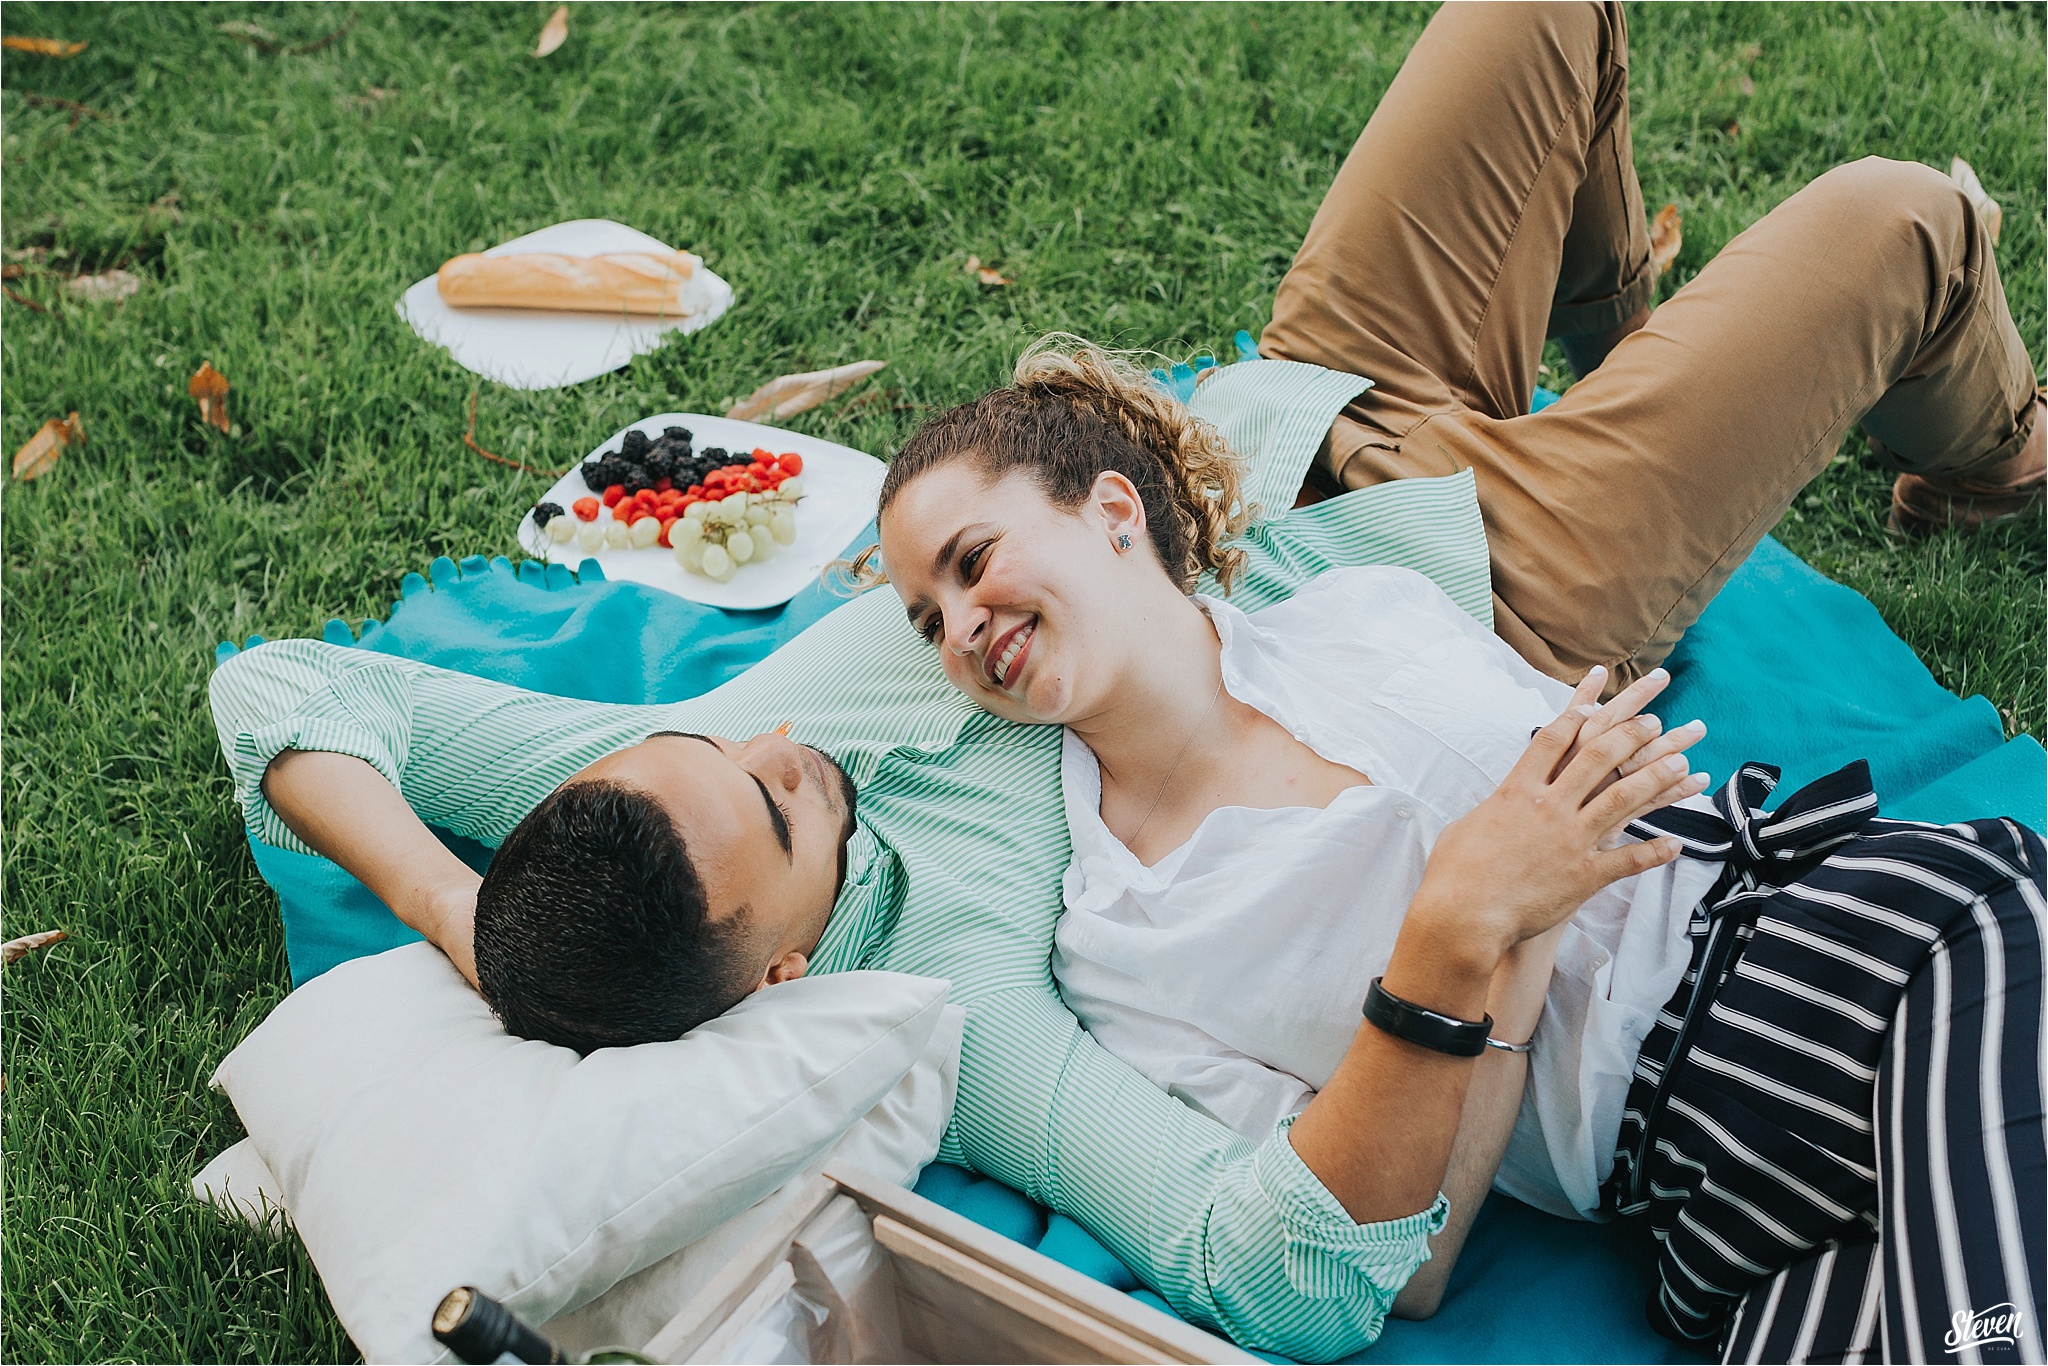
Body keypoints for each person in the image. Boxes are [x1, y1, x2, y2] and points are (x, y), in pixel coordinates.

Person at [206, 2, 2041, 1360]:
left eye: (718, 729)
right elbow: (1297, 1258)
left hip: (1276, 417)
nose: (783, 728)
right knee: (1904, 226)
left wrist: (453, 916)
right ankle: (2003, 447)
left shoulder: (696, 762)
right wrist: (1478, 933)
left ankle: (1616, 332)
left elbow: (292, 690)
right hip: (1500, 557)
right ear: (775, 964)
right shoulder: (1004, 982)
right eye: (770, 799)